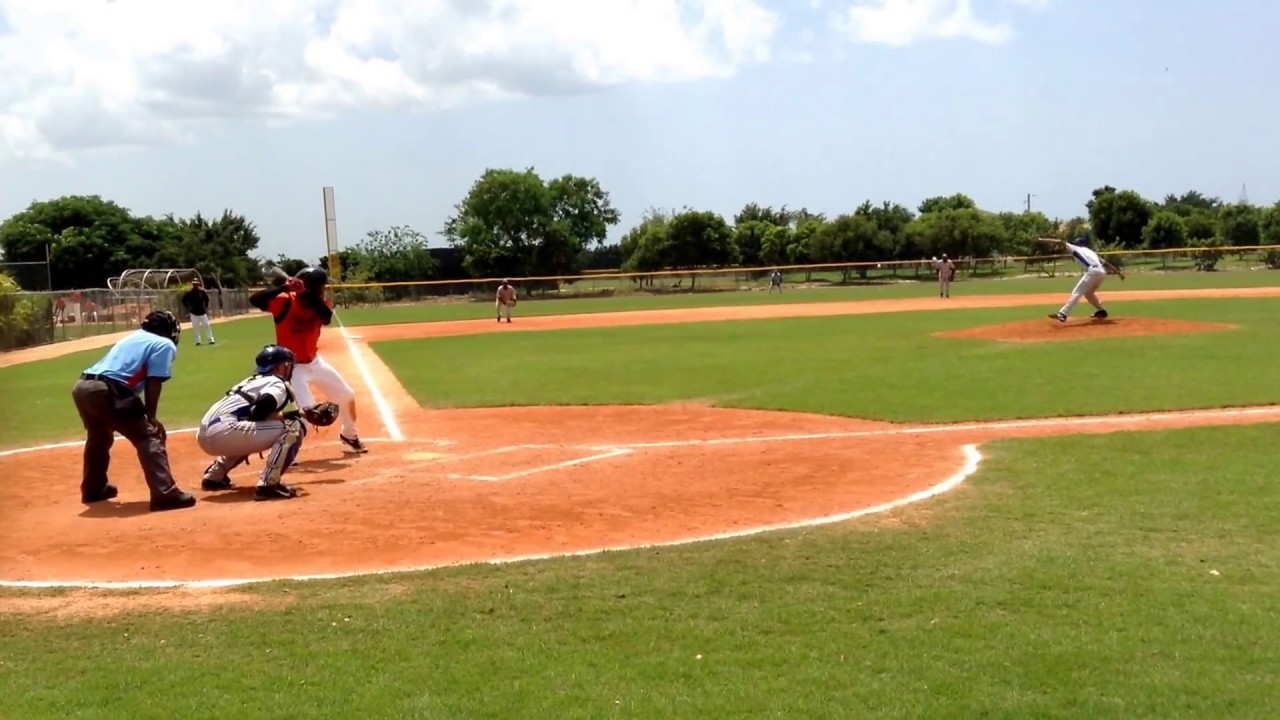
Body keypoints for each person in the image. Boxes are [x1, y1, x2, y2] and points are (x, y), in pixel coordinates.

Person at [70, 310, 197, 511]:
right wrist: (151, 417)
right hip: (107, 390)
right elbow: (154, 382)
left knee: (99, 438)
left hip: (83, 387)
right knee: (149, 437)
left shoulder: (133, 337)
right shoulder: (164, 344)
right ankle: (165, 493)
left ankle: (93, 489)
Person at [249, 267, 368, 453]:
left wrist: (304, 292)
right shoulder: (285, 301)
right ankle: (285, 451)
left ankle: (349, 435)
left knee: (345, 395)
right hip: (292, 367)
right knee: (306, 412)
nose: (324, 291)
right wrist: (284, 287)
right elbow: (256, 300)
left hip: (314, 362)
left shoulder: (321, 304)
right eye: (322, 287)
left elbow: (326, 317)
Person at [197, 345, 307, 500]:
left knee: (248, 427)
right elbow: (260, 409)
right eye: (287, 365)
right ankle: (269, 484)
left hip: (206, 433)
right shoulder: (276, 382)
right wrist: (294, 416)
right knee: (293, 427)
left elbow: (254, 414)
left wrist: (299, 413)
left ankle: (214, 476)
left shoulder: (251, 381)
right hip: (225, 432)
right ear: (279, 366)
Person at [1044, 236, 1125, 322]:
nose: (1074, 244)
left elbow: (1060, 242)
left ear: (1079, 244)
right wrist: (1118, 273)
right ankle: (1101, 311)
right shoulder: (1091, 252)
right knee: (1088, 293)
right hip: (1101, 272)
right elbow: (1106, 263)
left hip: (1093, 271)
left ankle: (1063, 314)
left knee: (1077, 292)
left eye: (1076, 243)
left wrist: (1043, 240)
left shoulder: (1076, 248)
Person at [181, 279, 216, 346]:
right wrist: (188, 307)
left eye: (196, 284)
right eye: (194, 284)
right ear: (192, 284)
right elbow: (183, 300)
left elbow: (207, 299)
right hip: (193, 313)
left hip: (202, 312)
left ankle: (211, 339)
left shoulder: (202, 292)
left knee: (207, 325)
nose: (195, 285)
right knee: (195, 327)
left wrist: (205, 307)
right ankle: (198, 341)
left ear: (198, 284)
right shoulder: (189, 293)